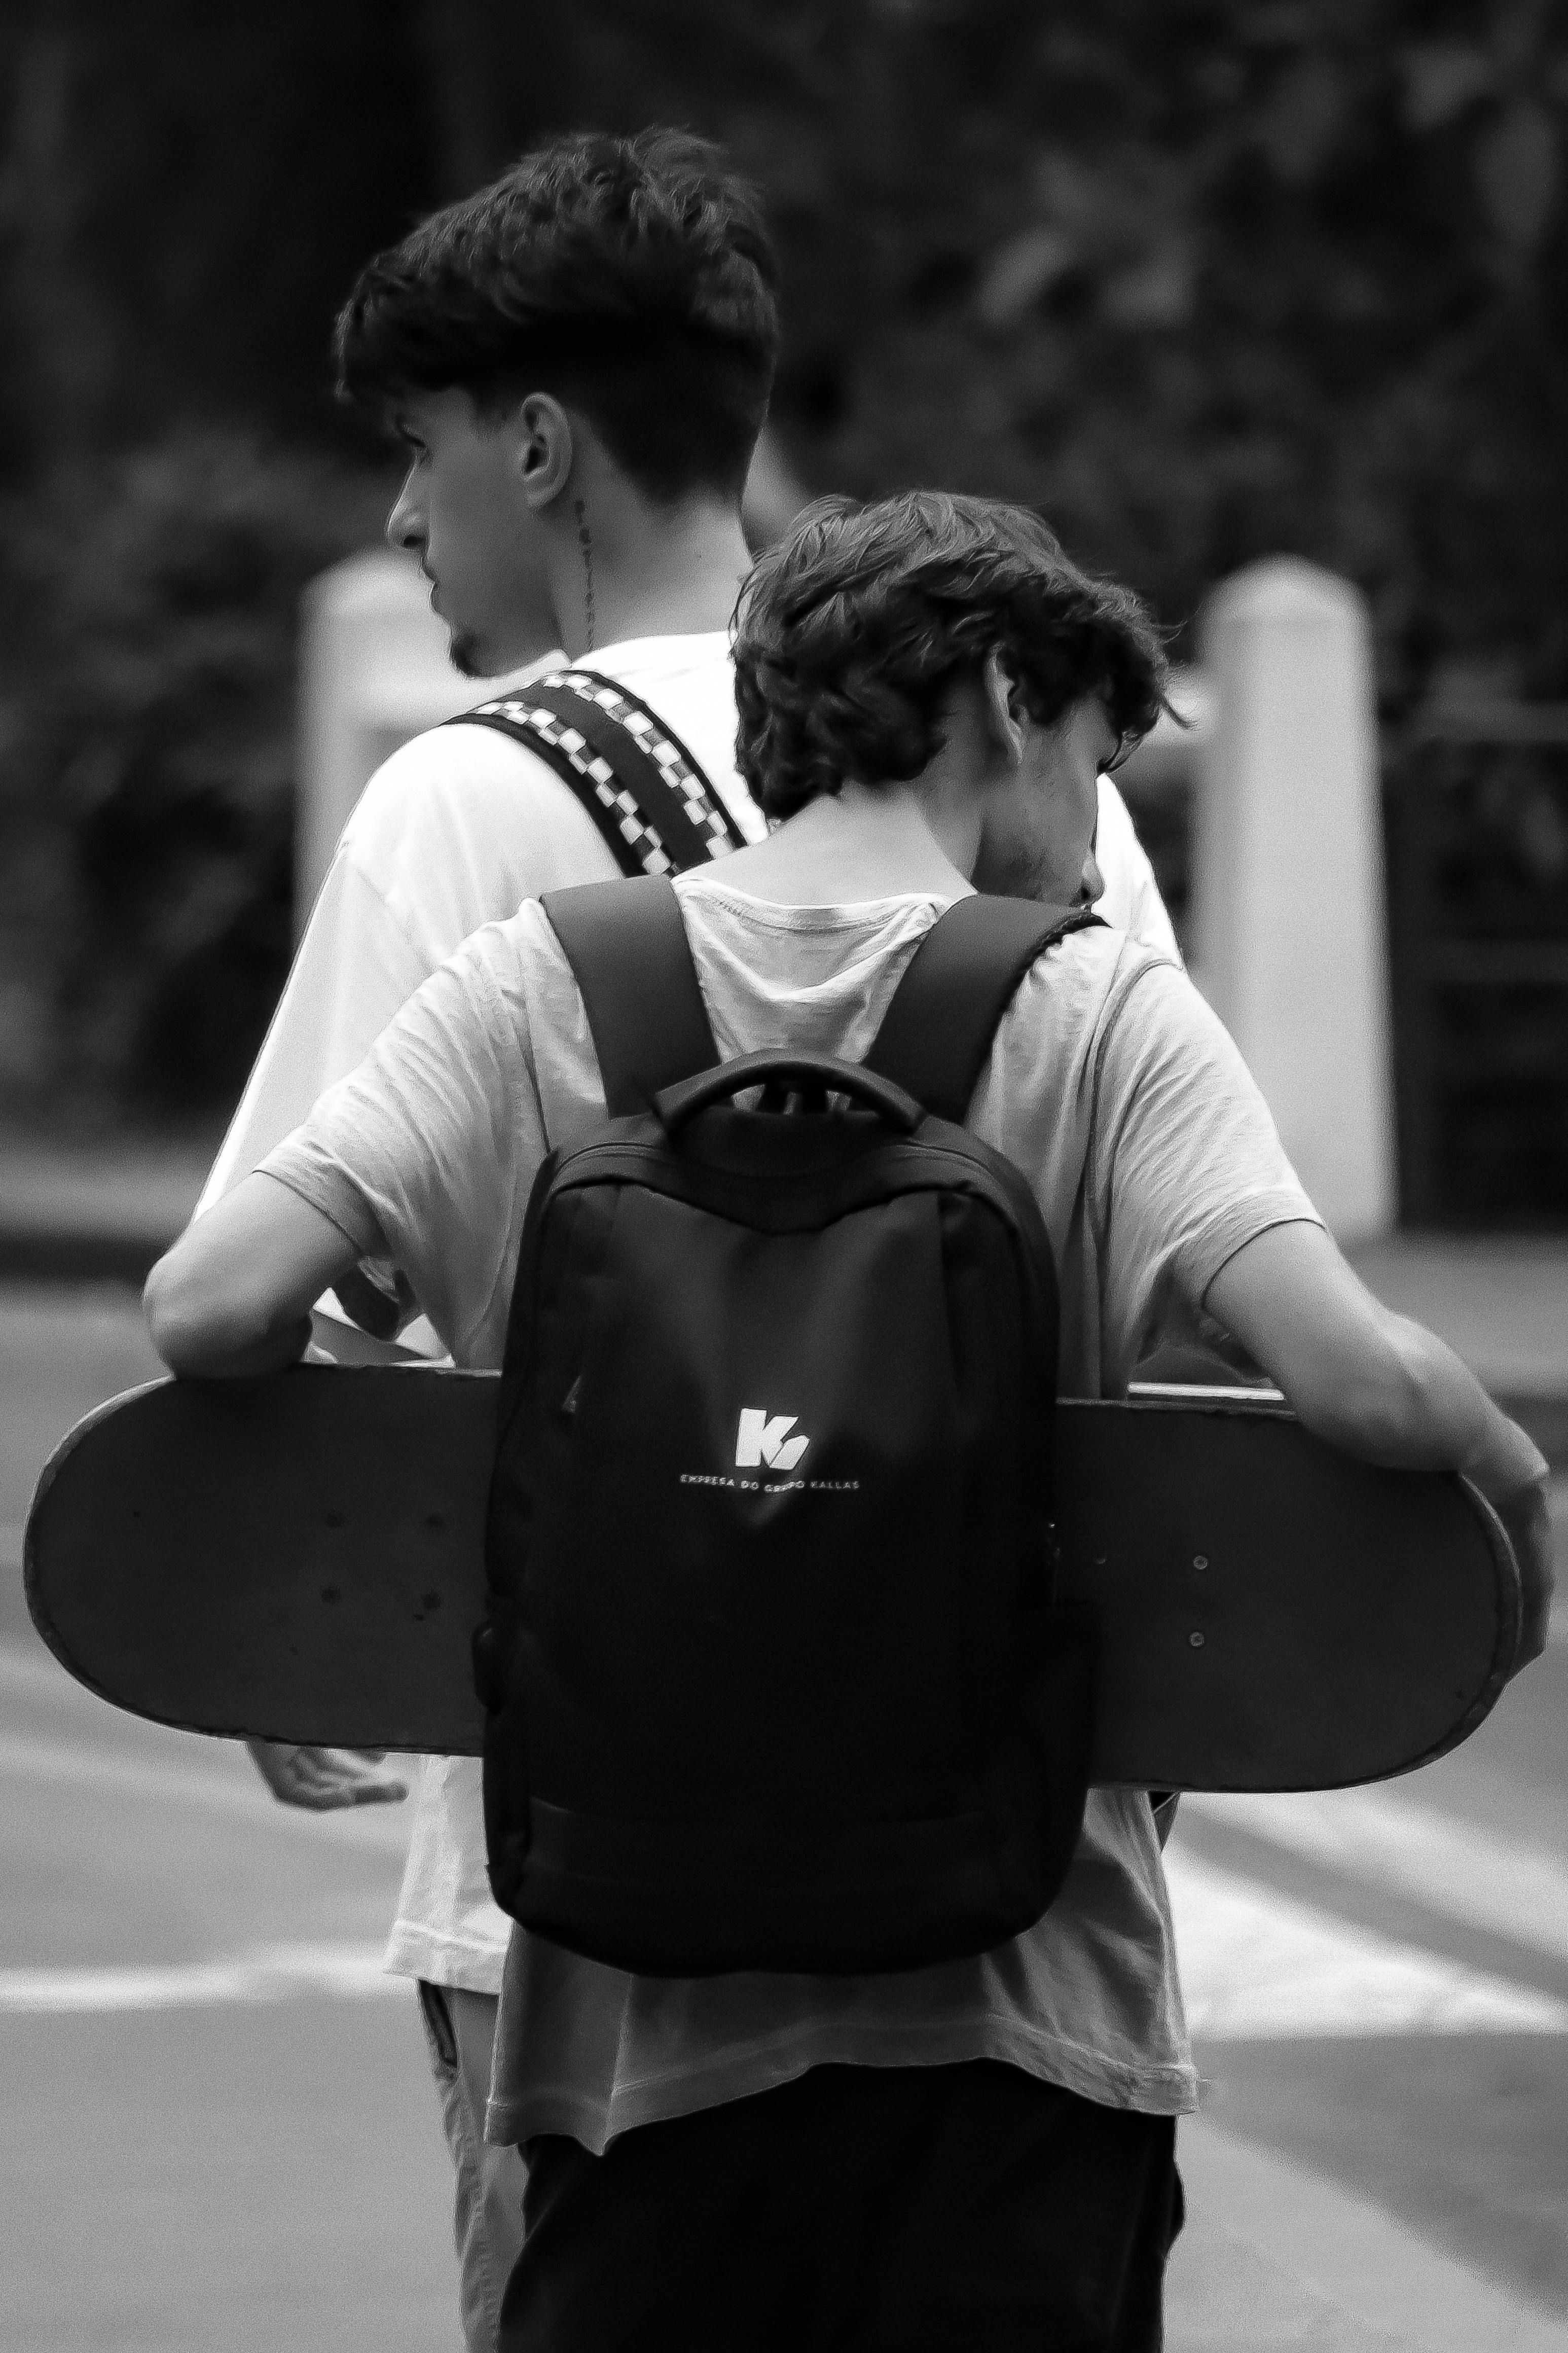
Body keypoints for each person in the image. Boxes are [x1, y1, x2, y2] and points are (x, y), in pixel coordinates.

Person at [147, 489, 1550, 2346]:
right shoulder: (1099, 1011)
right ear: (1003, 693)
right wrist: (1518, 1501)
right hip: (1017, 2030)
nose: (1092, 820)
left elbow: (211, 1308)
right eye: (1100, 755)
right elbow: (1365, 1387)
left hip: (619, 2032)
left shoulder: (537, 985)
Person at [193, 132, 1186, 2351]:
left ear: (537, 443)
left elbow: (273, 1311)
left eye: (419, 447)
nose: (399, 512)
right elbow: (1175, 1289)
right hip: (1010, 1896)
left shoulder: (464, 791)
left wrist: (295, 1643)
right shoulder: (1024, 756)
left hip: (590, 1926)